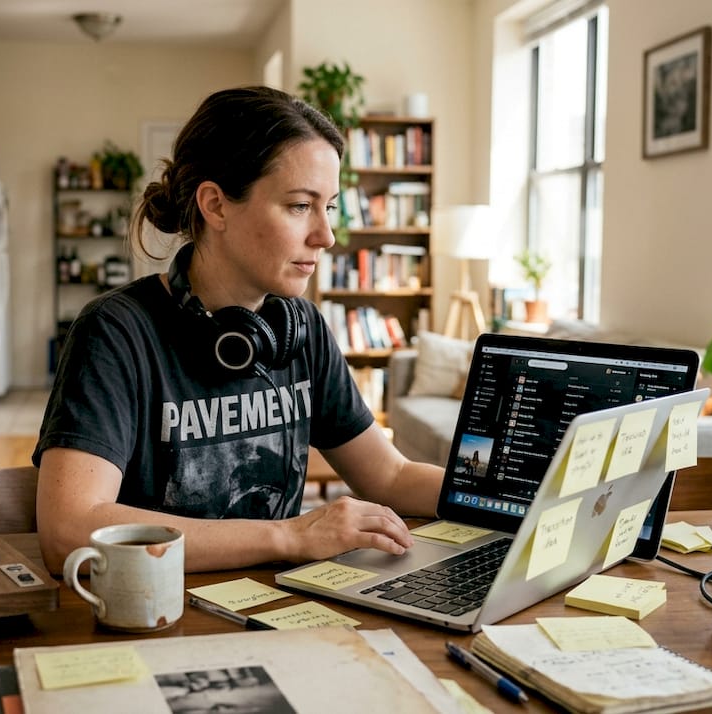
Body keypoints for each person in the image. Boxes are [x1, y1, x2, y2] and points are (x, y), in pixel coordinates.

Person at [34, 86, 445, 573]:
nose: (326, 236)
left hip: (284, 613)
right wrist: (290, 535)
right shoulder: (116, 333)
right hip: (160, 618)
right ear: (216, 204)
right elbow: (68, 528)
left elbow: (391, 476)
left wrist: (513, 496)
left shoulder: (302, 328)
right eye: (299, 206)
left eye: (329, 207)